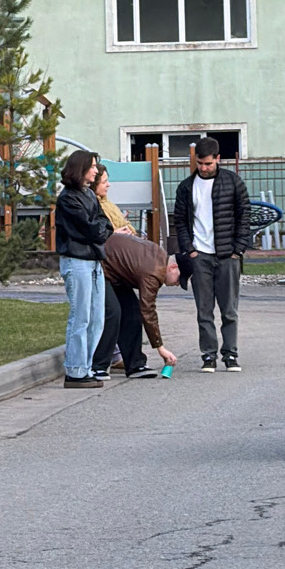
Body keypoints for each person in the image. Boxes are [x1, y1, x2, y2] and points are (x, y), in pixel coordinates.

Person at [173, 137, 252, 373]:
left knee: (229, 309)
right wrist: (190, 250)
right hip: (200, 256)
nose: (204, 168)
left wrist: (238, 249)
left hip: (228, 255)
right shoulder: (186, 187)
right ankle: (208, 356)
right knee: (204, 310)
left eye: (208, 163)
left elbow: (244, 215)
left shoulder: (233, 182)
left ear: (218, 159)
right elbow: (180, 221)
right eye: (200, 163)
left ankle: (230, 354)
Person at [55, 148, 111, 389]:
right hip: (76, 261)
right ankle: (75, 370)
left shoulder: (89, 195)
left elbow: (105, 224)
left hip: (94, 261)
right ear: (81, 169)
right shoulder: (68, 199)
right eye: (92, 167)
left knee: (97, 318)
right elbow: (92, 229)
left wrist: (99, 229)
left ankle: (86, 367)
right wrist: (99, 229)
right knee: (81, 316)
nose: (96, 171)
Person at [94, 230, 178, 379]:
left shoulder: (159, 256)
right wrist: (160, 348)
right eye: (178, 279)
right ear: (172, 268)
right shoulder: (154, 272)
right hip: (101, 267)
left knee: (132, 312)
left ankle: (135, 364)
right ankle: (98, 366)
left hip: (116, 274)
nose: (177, 284)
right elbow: (148, 311)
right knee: (112, 313)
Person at [93, 163, 135, 234]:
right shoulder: (93, 207)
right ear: (94, 184)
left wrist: (129, 231)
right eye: (104, 182)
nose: (108, 185)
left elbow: (124, 222)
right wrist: (115, 233)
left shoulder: (109, 204)